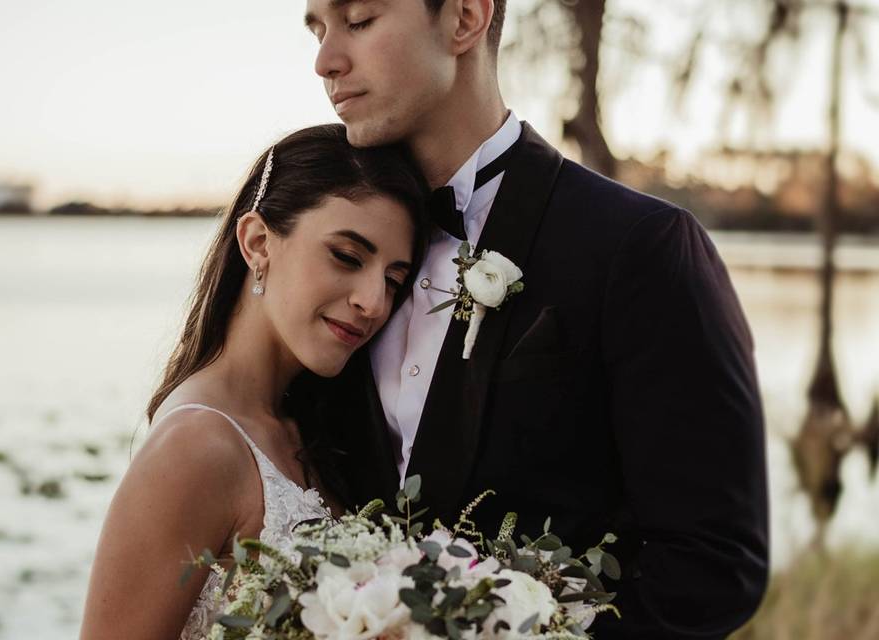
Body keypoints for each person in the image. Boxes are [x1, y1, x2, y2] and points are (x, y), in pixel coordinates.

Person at [303, 0, 770, 637]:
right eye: (318, 29)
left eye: (358, 21)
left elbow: (715, 564)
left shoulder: (640, 246)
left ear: (465, 18)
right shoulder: (323, 250)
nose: (325, 61)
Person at [79, 124, 428, 640]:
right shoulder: (194, 447)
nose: (373, 302)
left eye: (393, 280)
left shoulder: (314, 427)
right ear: (258, 241)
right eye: (347, 257)